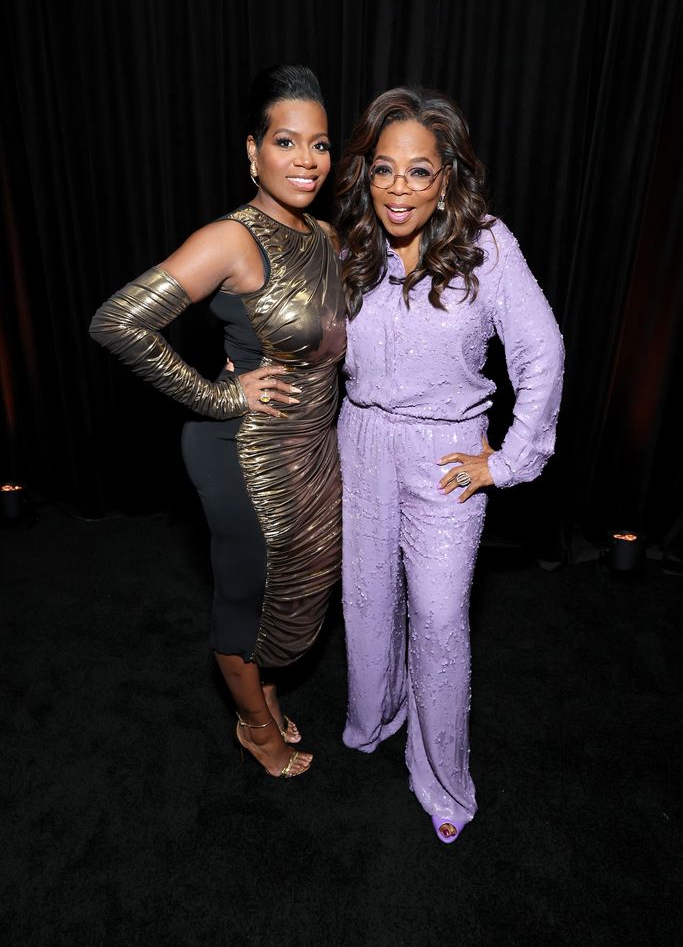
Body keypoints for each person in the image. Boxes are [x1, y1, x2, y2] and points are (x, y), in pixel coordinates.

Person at [90, 64, 345, 779]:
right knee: (244, 597)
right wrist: (218, 397)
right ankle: (254, 730)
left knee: (293, 585)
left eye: (319, 145)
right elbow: (118, 322)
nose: (305, 159)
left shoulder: (323, 235)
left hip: (309, 448)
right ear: (252, 151)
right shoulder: (232, 239)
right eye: (286, 141)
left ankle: (262, 691)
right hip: (244, 453)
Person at [334, 87, 564, 841]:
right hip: (361, 439)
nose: (400, 188)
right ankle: (375, 716)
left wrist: (507, 460)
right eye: (385, 169)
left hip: (444, 456)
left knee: (436, 620)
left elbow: (540, 350)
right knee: (366, 601)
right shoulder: (351, 243)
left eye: (420, 171)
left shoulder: (484, 243)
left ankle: (441, 778)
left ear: (446, 178)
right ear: (366, 172)